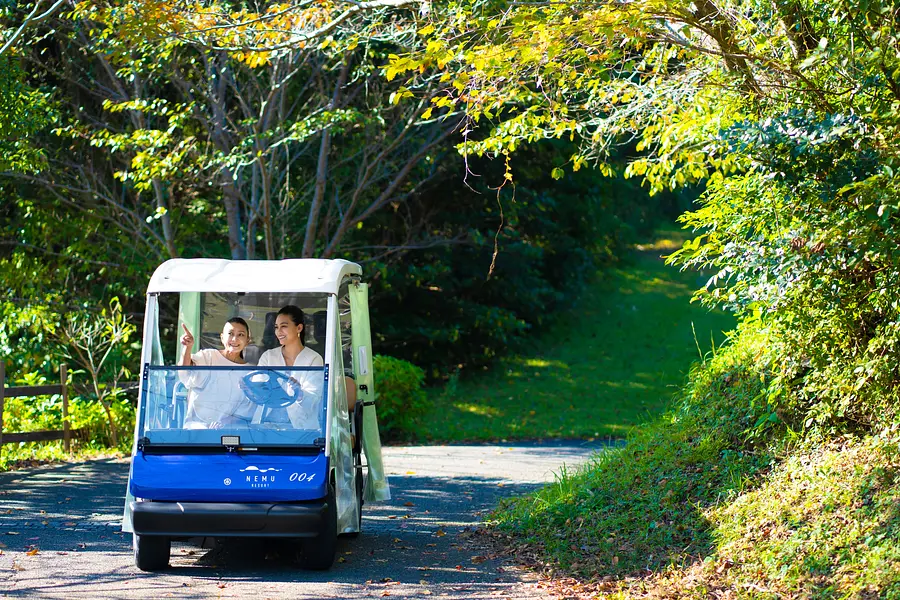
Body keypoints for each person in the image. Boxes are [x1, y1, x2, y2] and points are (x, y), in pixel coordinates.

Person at [179, 318, 255, 429]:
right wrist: (187, 347)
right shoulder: (208, 356)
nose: (234, 339)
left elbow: (247, 409)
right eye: (230, 334)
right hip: (197, 426)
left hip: (231, 430)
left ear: (248, 340)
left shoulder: (250, 372)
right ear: (222, 337)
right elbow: (185, 373)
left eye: (241, 335)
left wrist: (224, 424)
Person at [256, 305, 324, 429]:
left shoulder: (314, 359)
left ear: (299, 328)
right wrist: (249, 387)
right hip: (266, 425)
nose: (278, 332)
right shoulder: (268, 356)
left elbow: (314, 400)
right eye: (276, 327)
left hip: (301, 427)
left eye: (284, 326)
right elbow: (259, 390)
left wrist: (300, 394)